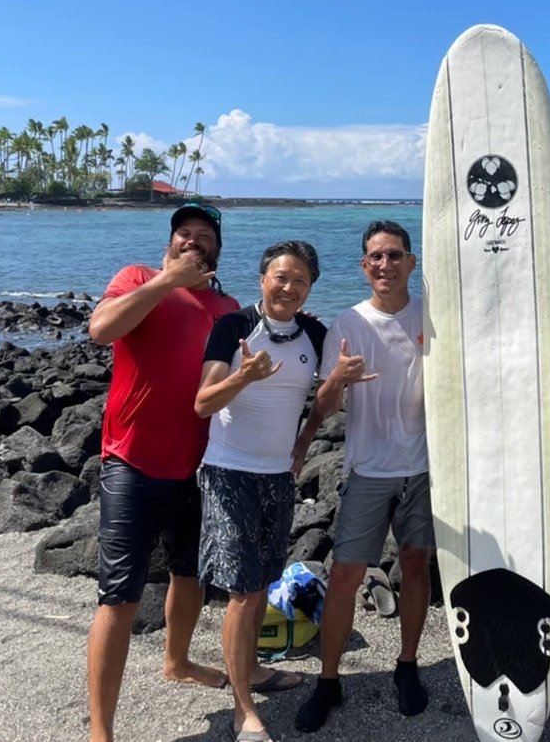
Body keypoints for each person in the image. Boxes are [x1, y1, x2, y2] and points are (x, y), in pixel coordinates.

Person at [85, 202, 239, 742]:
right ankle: (101, 732)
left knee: (189, 574)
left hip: (198, 465)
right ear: (170, 243)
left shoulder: (228, 307)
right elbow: (101, 329)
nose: (193, 242)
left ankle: (177, 661)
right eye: (184, 234)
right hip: (130, 460)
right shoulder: (137, 278)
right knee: (120, 598)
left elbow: (232, 385)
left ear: (218, 250)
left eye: (204, 237)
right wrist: (167, 282)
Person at [293, 220, 432, 733]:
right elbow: (325, 407)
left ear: (411, 263)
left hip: (421, 467)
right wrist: (338, 381)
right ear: (363, 266)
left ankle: (408, 665)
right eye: (375, 257)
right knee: (347, 576)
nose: (385, 265)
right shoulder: (347, 323)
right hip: (367, 469)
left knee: (416, 566)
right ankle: (328, 682)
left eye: (395, 255)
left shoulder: (431, 316)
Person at [195, 240, 328, 742]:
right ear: (262, 279)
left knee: (261, 582)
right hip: (229, 471)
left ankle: (250, 669)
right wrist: (243, 376)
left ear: (309, 288)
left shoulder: (314, 331)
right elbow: (203, 403)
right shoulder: (232, 328)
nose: (288, 287)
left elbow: (329, 391)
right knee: (244, 592)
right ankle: (243, 706)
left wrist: (305, 441)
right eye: (280, 276)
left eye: (299, 280)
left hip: (278, 477)